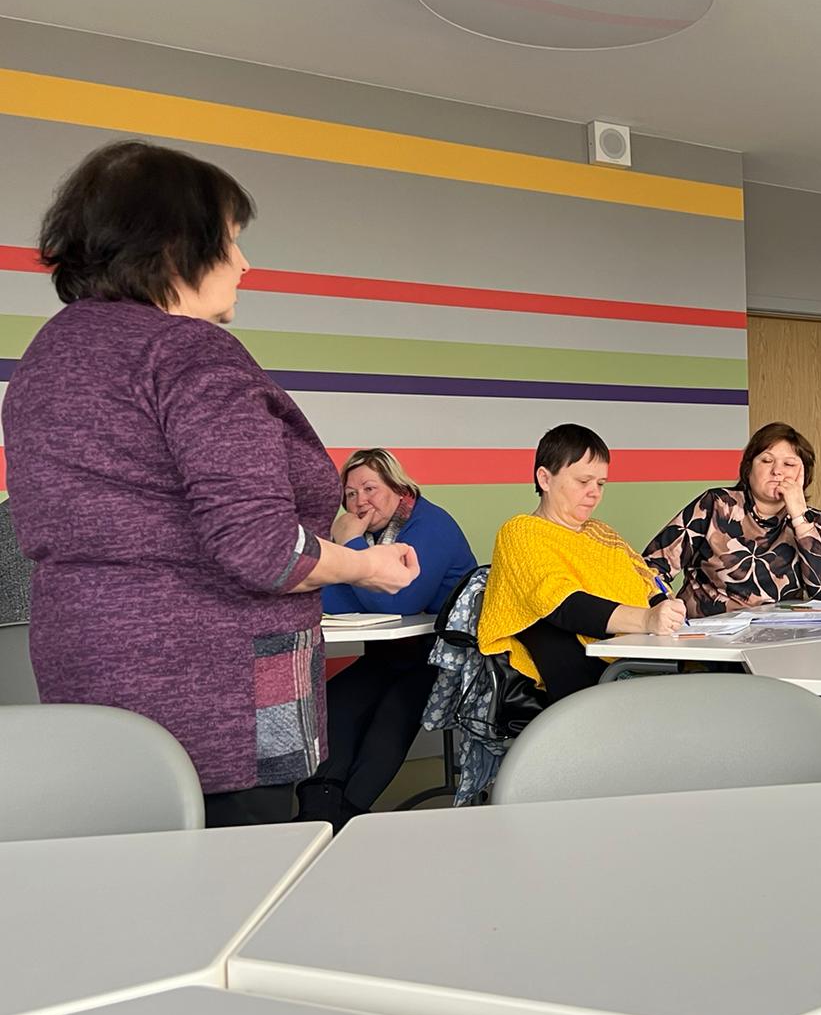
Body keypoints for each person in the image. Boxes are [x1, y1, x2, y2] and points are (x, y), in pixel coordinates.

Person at [2, 141, 418, 826]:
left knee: (120, 855)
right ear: (175, 246)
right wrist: (366, 565)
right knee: (237, 868)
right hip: (216, 690)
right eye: (230, 240)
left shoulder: (49, 356)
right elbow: (261, 549)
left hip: (84, 665)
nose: (245, 263)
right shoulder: (188, 351)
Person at [298, 449, 477, 827]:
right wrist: (360, 577)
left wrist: (350, 546)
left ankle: (347, 815)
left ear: (398, 488)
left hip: (447, 658)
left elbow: (399, 599)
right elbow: (327, 597)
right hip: (394, 654)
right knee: (337, 702)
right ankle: (319, 811)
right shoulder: (374, 537)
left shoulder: (431, 525)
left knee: (390, 714)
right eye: (350, 494)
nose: (360, 501)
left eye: (370, 489)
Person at [477, 424, 686, 704]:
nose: (594, 493)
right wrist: (647, 619)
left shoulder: (602, 533)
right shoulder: (521, 532)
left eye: (600, 484)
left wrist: (665, 609)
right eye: (583, 481)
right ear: (544, 479)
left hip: (639, 659)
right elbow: (563, 604)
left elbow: (646, 580)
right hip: (587, 681)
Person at [642, 421, 821, 616]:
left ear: (804, 475)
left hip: (780, 633)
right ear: (749, 468)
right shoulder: (716, 504)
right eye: (767, 461)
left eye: (789, 464)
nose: (777, 471)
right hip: (708, 631)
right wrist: (665, 607)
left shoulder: (814, 521)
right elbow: (651, 567)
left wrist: (800, 517)